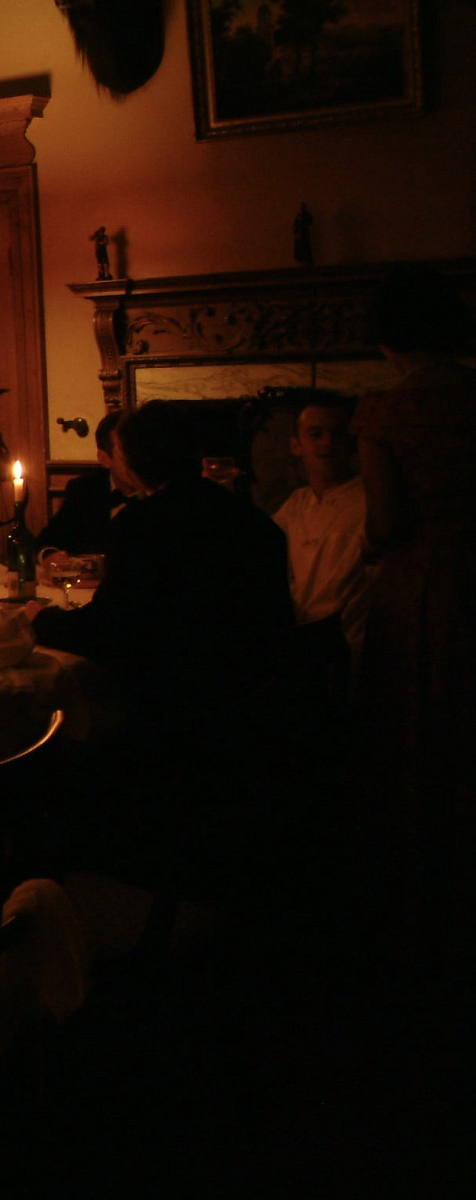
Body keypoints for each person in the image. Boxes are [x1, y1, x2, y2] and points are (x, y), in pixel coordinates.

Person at [351, 266, 476, 975]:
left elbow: (386, 524)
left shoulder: (383, 412)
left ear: (388, 336)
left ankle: (419, 906)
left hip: (424, 588)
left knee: (417, 738)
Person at [27, 402, 292, 719]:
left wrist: (40, 619)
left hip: (174, 706)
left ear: (132, 462)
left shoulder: (139, 525)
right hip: (259, 697)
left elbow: (106, 631)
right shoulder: (253, 519)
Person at [271, 396, 372, 665]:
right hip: (304, 644)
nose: (327, 443)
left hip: (354, 647)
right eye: (316, 434)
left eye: (336, 435)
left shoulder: (369, 500)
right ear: (296, 445)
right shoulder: (297, 504)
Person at [37, 411, 130, 556]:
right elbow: (48, 540)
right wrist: (51, 556)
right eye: (127, 454)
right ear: (105, 459)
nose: (139, 460)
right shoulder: (85, 490)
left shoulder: (163, 489)